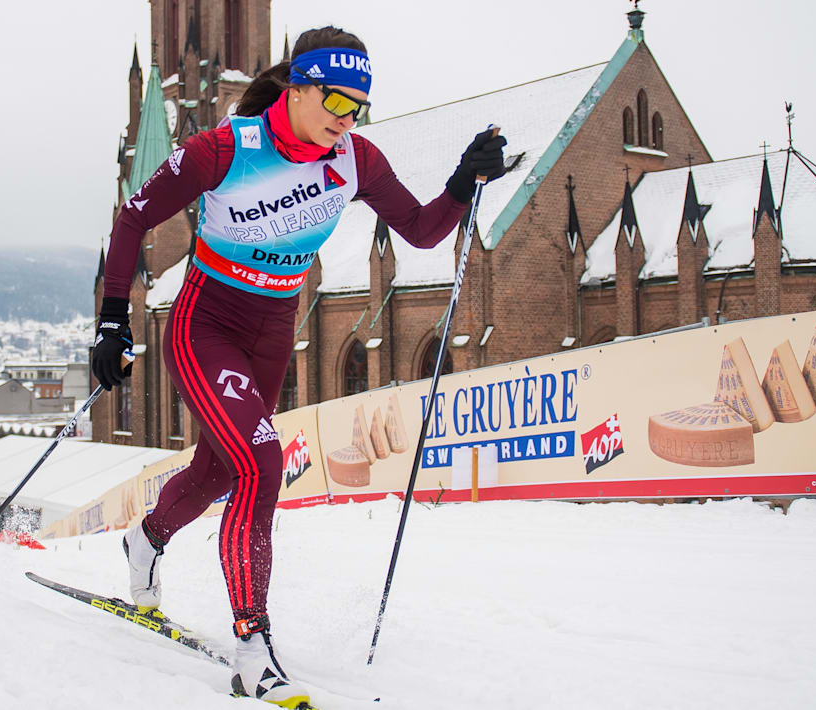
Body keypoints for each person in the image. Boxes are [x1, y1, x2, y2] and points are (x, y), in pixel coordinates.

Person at [94, 26, 505, 707]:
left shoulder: (356, 159)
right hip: (206, 323)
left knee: (221, 469)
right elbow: (133, 218)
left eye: (358, 108)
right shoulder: (224, 149)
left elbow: (422, 229)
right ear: (299, 88)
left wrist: (464, 182)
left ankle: (146, 539)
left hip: (274, 330)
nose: (347, 120)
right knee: (262, 461)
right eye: (337, 102)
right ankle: (252, 646)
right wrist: (113, 319)